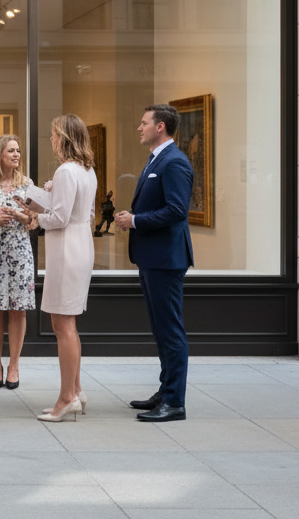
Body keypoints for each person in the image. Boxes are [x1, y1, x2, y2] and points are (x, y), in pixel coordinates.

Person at [114, 104, 194, 423]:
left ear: (160, 127)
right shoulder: (157, 158)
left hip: (165, 258)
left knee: (170, 330)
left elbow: (177, 211)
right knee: (161, 330)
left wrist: (135, 221)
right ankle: (166, 390)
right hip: (152, 257)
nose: (139, 127)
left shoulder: (174, 162)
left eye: (144, 123)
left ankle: (175, 402)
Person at [24, 115, 98, 423]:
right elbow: (85, 212)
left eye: (54, 135)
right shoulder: (87, 170)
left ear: (64, 138)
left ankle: (67, 397)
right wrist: (50, 195)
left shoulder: (66, 170)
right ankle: (77, 391)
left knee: (62, 326)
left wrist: (35, 216)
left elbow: (60, 217)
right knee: (69, 324)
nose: (52, 140)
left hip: (67, 249)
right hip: (80, 245)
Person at [0, 134, 37, 391]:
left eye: (18, 150)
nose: (16, 155)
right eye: (11, 150)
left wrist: (21, 217)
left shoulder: (27, 184)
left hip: (20, 252)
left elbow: (34, 222)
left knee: (18, 309)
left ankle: (14, 365)